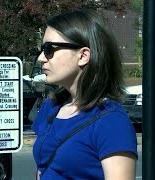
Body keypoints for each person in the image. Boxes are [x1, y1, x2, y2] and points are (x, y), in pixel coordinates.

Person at [32, 9, 137, 180]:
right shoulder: (49, 108)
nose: (41, 58)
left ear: (83, 56)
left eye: (49, 49)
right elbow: (43, 169)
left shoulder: (111, 121)